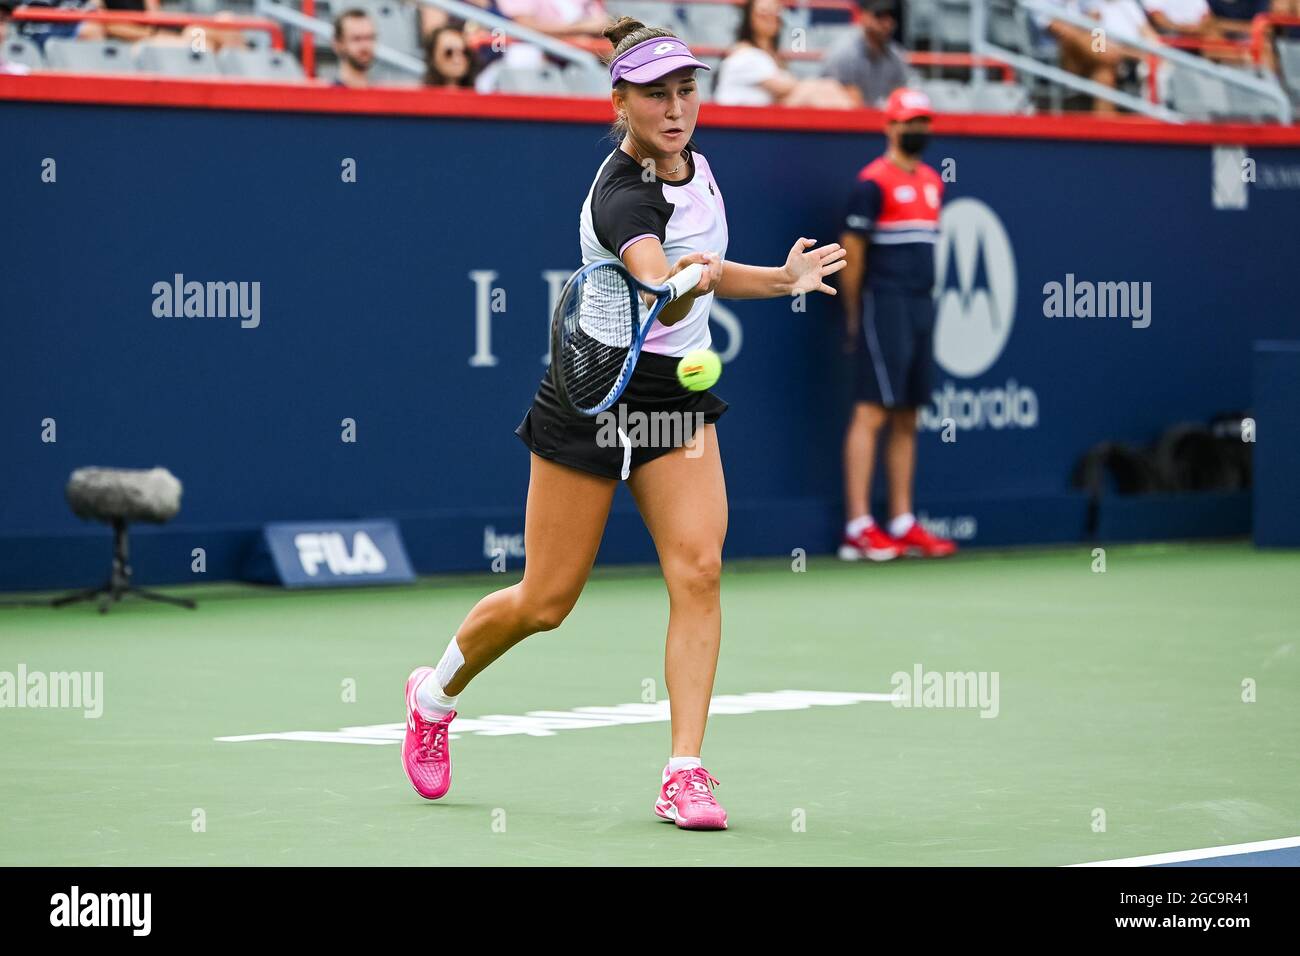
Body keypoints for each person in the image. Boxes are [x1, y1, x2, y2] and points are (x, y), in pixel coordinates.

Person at [401, 15, 847, 830]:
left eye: (686, 91)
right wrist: (673, 278)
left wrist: (779, 279)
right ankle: (433, 697)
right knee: (545, 601)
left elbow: (705, 276)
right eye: (656, 96)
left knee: (699, 571)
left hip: (676, 398)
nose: (676, 109)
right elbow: (655, 265)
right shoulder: (621, 193)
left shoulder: (701, 169)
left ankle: (685, 772)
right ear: (621, 101)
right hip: (595, 394)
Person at [838, 88, 956, 563]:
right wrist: (853, 314)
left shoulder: (932, 181)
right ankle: (858, 526)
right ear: (889, 126)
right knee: (872, 412)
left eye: (925, 122)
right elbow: (854, 253)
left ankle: (903, 520)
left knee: (909, 413)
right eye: (910, 122)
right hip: (882, 305)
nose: (918, 131)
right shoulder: (872, 182)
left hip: (922, 306)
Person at [714, 0, 860, 107]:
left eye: (776, 13)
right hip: (741, 125)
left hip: (766, 122)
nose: (771, 18)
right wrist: (821, 87)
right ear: (750, 18)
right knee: (816, 93)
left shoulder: (773, 57)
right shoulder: (743, 53)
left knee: (827, 89)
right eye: (764, 13)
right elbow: (784, 87)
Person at [820, 0, 908, 108]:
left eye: (891, 16)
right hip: (840, 120)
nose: (887, 23)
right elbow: (851, 103)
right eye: (880, 16)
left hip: (880, 119)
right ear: (863, 16)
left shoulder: (896, 55)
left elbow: (900, 94)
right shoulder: (844, 52)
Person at [332, 8, 375, 89]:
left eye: (370, 37)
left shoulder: (380, 98)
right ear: (338, 44)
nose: (365, 45)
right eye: (356, 39)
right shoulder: (328, 99)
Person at [424, 24, 477, 88]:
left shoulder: (483, 90)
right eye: (449, 53)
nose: (458, 59)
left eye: (465, 52)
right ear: (433, 57)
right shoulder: (418, 94)